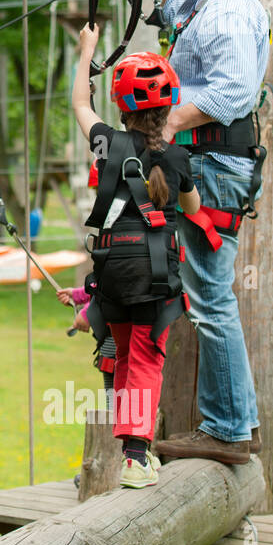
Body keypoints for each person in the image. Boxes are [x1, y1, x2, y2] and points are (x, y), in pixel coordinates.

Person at [145, 0, 273, 466]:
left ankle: (226, 428)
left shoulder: (230, 10)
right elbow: (174, 5)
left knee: (211, 298)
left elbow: (233, 92)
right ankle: (236, 420)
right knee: (205, 293)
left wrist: (164, 123)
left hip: (215, 168)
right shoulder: (211, 0)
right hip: (209, 164)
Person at [72, 33, 200, 488]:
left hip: (111, 273)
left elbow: (80, 106)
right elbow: (192, 207)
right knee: (146, 360)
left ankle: (132, 451)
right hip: (153, 273)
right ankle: (135, 456)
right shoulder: (179, 157)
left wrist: (88, 50)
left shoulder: (107, 145)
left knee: (125, 356)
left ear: (122, 108)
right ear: (170, 107)